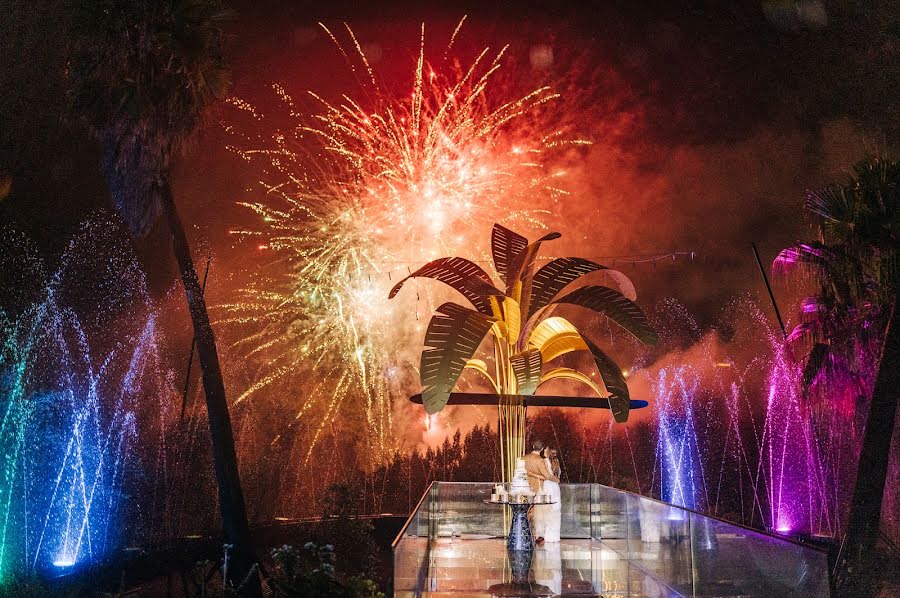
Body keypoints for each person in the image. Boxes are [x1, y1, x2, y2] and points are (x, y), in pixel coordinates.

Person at [525, 439, 558, 545]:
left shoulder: (524, 457)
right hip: (537, 489)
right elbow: (547, 476)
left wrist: (530, 474)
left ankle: (525, 534)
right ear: (542, 449)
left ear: (532, 446)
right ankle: (533, 536)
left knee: (526, 512)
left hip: (525, 488)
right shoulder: (540, 460)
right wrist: (556, 479)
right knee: (535, 514)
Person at [539, 447, 562, 543]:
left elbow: (544, 475)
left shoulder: (544, 462)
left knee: (547, 512)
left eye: (545, 450)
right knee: (555, 512)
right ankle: (555, 537)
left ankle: (547, 536)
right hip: (555, 487)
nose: (543, 451)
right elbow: (557, 476)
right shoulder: (556, 462)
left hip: (548, 487)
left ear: (548, 452)